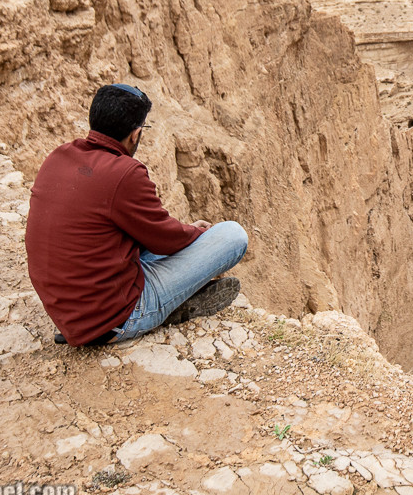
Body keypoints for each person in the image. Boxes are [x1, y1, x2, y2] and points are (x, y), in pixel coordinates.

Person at [25, 84, 248, 346]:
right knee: (233, 235)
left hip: (70, 314)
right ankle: (167, 308)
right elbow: (166, 241)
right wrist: (198, 233)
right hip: (114, 319)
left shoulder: (58, 157)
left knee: (152, 239)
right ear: (136, 134)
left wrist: (184, 231)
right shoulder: (124, 173)